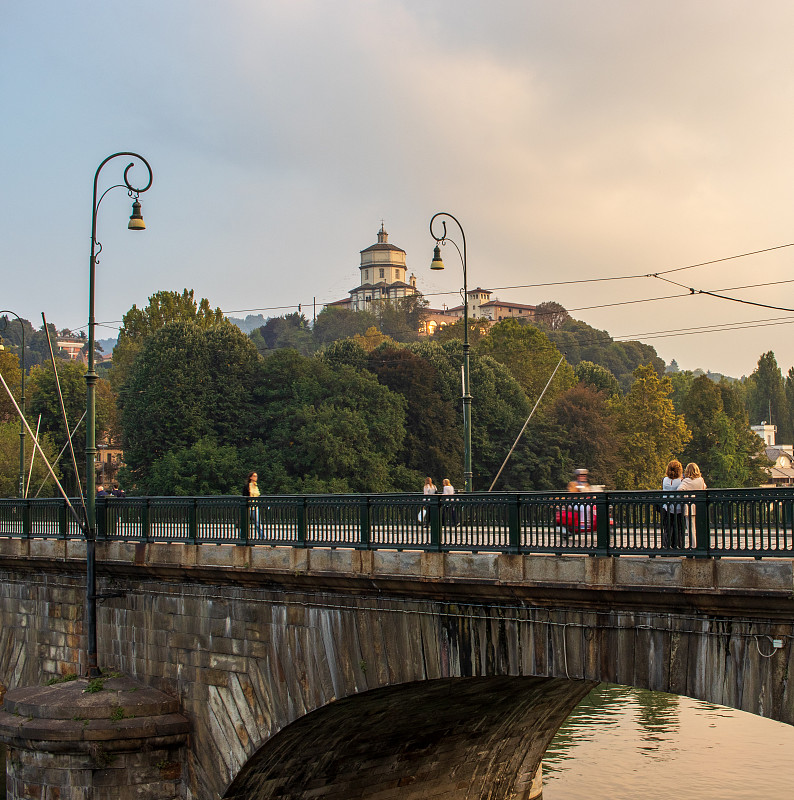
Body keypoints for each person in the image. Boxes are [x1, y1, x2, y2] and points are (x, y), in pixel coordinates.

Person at [677, 463, 707, 548]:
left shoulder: (686, 481)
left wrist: (686, 495)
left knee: (691, 528)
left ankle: (693, 546)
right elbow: (704, 488)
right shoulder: (701, 480)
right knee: (700, 527)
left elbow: (679, 489)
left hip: (689, 507)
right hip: (699, 506)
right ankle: (702, 545)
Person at [660, 460, 683, 548]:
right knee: (678, 529)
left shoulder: (665, 480)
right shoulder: (681, 481)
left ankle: (666, 546)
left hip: (667, 507)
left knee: (667, 529)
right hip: (678, 508)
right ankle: (678, 546)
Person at [242, 471, 263, 537]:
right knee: (245, 523)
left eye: (256, 476)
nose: (256, 477)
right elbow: (244, 496)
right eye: (254, 476)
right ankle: (243, 537)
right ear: (250, 477)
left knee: (257, 523)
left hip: (255, 507)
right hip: (248, 507)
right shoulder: (247, 486)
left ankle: (262, 537)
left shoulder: (256, 486)